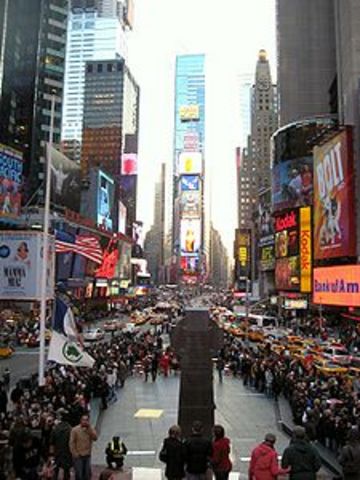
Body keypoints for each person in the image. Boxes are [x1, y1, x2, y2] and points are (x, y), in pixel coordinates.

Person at [69, 414, 97, 480]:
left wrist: (90, 428)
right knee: (79, 474)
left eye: (86, 420)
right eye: (83, 420)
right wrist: (74, 453)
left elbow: (95, 438)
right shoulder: (75, 430)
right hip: (78, 455)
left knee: (87, 474)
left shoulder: (90, 429)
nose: (85, 421)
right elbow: (71, 443)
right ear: (80, 420)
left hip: (87, 455)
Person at [50, 410, 72, 480]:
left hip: (57, 453)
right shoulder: (70, 429)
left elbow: (51, 443)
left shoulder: (55, 428)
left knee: (55, 471)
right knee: (66, 472)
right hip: (67, 453)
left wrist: (51, 455)